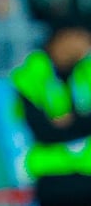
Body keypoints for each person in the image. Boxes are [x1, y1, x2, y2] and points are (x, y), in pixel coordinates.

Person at [10, 22, 91, 206]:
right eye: (82, 37)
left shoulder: (87, 70)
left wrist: (69, 121)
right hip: (52, 177)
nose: (87, 45)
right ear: (63, 36)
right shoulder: (30, 74)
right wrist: (82, 122)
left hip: (88, 173)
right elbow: (41, 131)